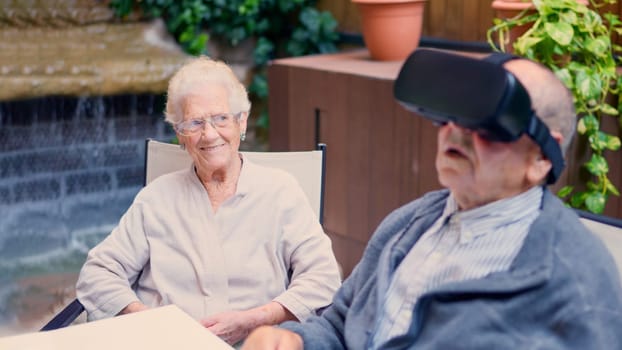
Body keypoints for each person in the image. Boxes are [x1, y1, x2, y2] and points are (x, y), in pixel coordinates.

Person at [241, 50, 622, 349]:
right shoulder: (409, 223)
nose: (455, 133)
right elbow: (340, 325)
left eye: (485, 124)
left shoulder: (576, 283)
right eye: (451, 115)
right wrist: (295, 339)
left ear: (541, 158)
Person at [75, 56, 341, 346]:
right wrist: (147, 320)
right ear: (180, 135)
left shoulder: (281, 192)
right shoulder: (156, 198)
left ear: (242, 122)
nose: (209, 134)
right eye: (194, 123)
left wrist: (256, 319)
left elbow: (323, 277)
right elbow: (98, 274)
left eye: (221, 118)